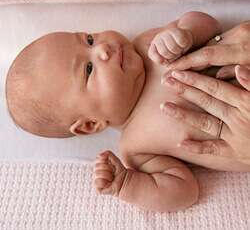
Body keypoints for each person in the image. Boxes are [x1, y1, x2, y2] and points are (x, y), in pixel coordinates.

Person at [5, 12, 250, 213]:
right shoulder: (136, 147)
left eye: (89, 40)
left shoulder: (148, 44)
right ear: (91, 125)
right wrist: (127, 185)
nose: (103, 49)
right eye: (89, 69)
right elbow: (185, 191)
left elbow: (210, 25)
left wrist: (187, 32)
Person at [160, 21, 250, 165]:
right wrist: (124, 183)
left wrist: (188, 34)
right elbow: (180, 185)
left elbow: (211, 25)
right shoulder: (131, 147)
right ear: (108, 122)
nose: (108, 51)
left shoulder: (143, 45)